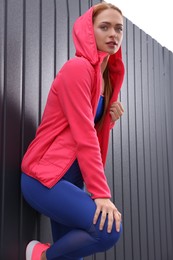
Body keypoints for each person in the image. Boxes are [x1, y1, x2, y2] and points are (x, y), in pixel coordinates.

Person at [21, 1, 125, 259]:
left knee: (72, 255)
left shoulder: (105, 80)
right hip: (44, 178)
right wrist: (101, 194)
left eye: (119, 29)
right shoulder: (77, 69)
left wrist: (108, 120)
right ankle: (40, 256)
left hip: (71, 183)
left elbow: (92, 131)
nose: (113, 34)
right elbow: (83, 135)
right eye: (105, 27)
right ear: (90, 32)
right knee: (108, 230)